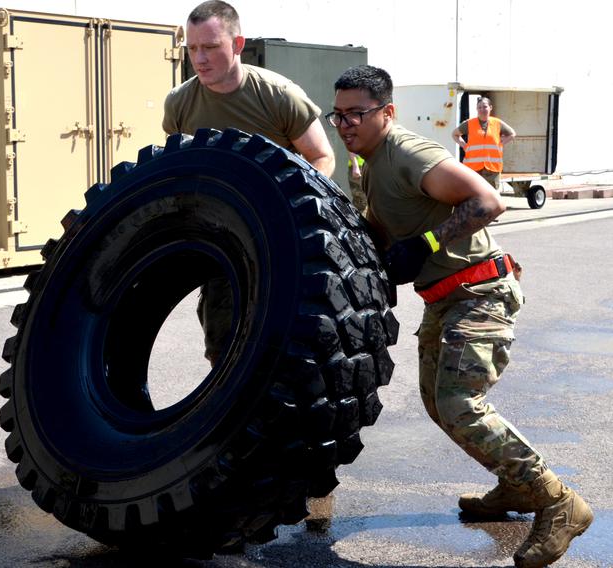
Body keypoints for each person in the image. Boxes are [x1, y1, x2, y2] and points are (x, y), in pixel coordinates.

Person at [329, 65, 591, 568]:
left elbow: (488, 201)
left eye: (357, 115)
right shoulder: (363, 164)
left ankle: (558, 501)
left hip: (480, 291)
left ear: (387, 113)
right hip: (443, 296)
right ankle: (516, 487)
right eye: (338, 115)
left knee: (458, 404)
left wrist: (424, 244)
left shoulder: (407, 152)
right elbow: (383, 229)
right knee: (436, 401)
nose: (345, 126)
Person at [163, 0, 336, 364]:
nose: (200, 58)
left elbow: (322, 156)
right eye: (192, 48)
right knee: (224, 345)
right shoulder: (180, 103)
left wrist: (293, 206)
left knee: (286, 344)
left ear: (237, 45)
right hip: (222, 235)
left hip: (280, 235)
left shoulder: (278, 95)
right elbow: (177, 166)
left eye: (211, 47)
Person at [451, 96, 516, 190]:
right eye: (479, 107)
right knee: (474, 194)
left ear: (490, 108)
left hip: (492, 170)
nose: (482, 109)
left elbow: (512, 133)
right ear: (477, 109)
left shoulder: (497, 123)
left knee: (491, 196)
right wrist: (464, 145)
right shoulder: (469, 124)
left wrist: (501, 143)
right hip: (473, 169)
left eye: (485, 106)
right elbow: (454, 134)